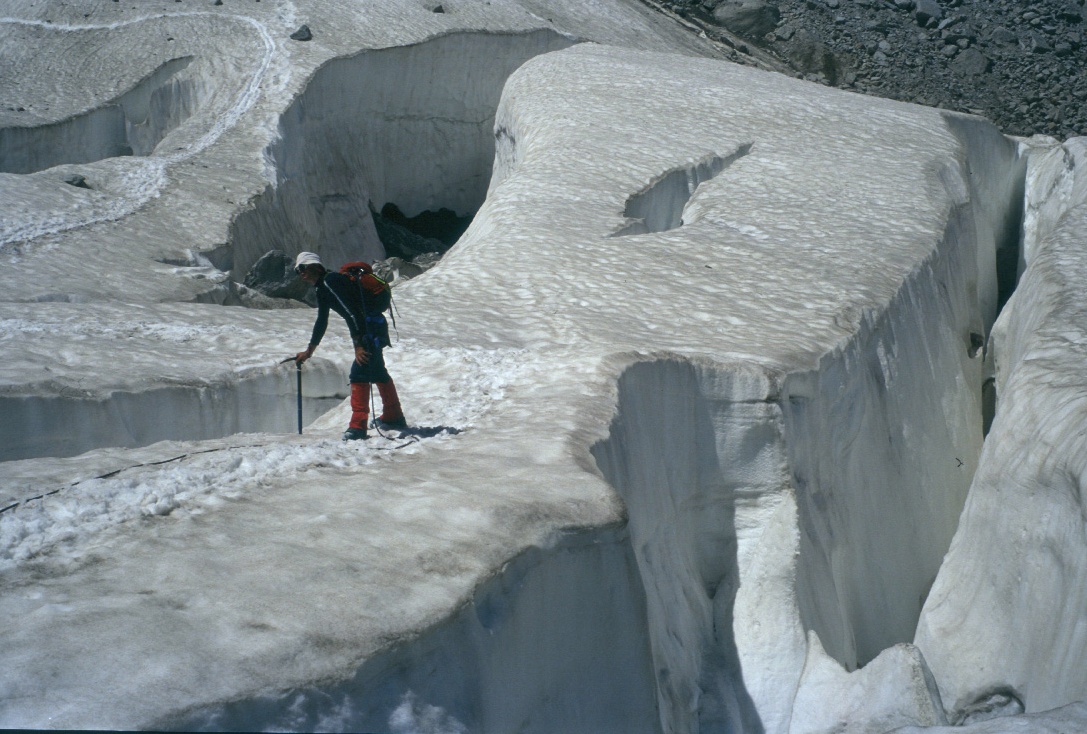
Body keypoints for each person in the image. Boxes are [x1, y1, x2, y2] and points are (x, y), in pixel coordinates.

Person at [292, 251, 406, 440]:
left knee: (358, 374)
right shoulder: (323, 287)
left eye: (302, 268)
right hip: (372, 327)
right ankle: (394, 416)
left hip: (368, 329)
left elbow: (353, 314)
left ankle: (358, 426)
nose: (301, 273)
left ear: (315, 267)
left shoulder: (330, 282)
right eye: (298, 270)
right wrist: (309, 350)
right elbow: (322, 321)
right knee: (378, 372)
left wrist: (359, 345)